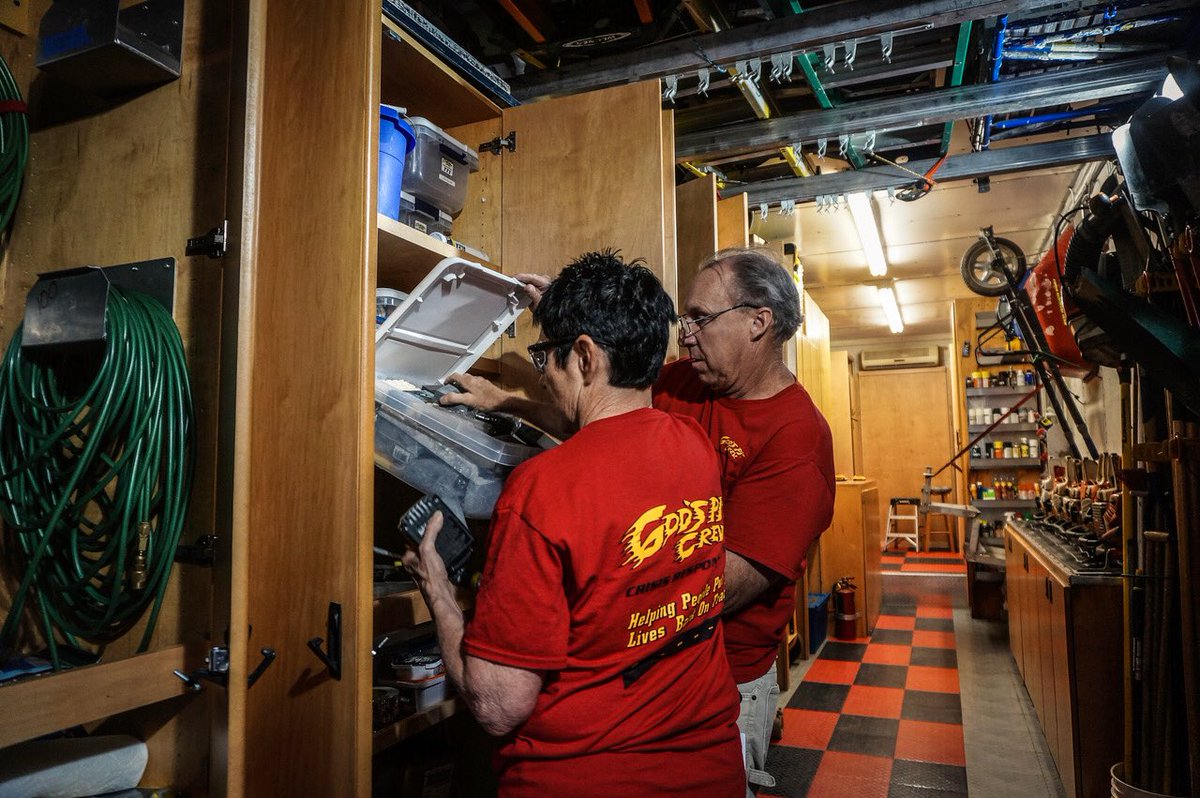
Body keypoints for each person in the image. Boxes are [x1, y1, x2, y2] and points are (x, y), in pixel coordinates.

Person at [443, 247, 835, 794]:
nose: (686, 334)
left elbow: (720, 583)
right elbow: (602, 405)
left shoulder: (798, 443)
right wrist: (578, 320)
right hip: (633, 673)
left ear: (758, 322)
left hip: (722, 675)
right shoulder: (686, 387)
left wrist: (579, 585)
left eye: (700, 317)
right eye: (681, 318)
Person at [402, 251, 744, 797]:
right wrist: (515, 396)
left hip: (584, 777)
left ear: (584, 355)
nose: (545, 375)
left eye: (546, 358)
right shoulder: (694, 447)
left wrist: (439, 592)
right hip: (709, 768)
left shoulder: (541, 491)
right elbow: (603, 432)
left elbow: (497, 705)